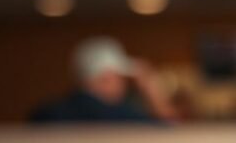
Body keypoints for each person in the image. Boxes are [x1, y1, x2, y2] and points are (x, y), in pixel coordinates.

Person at [31, 37, 175, 124]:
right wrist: (153, 92)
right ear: (107, 77)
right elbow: (168, 136)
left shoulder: (46, 112)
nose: (124, 85)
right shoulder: (120, 115)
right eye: (120, 78)